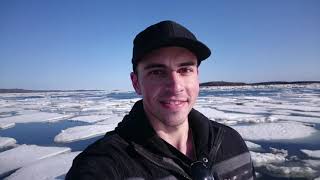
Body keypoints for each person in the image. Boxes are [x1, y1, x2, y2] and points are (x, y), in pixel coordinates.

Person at [66, 20, 256, 180]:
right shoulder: (103, 166)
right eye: (157, 72)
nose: (175, 86)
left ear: (197, 76)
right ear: (136, 83)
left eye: (185, 70)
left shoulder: (231, 141)